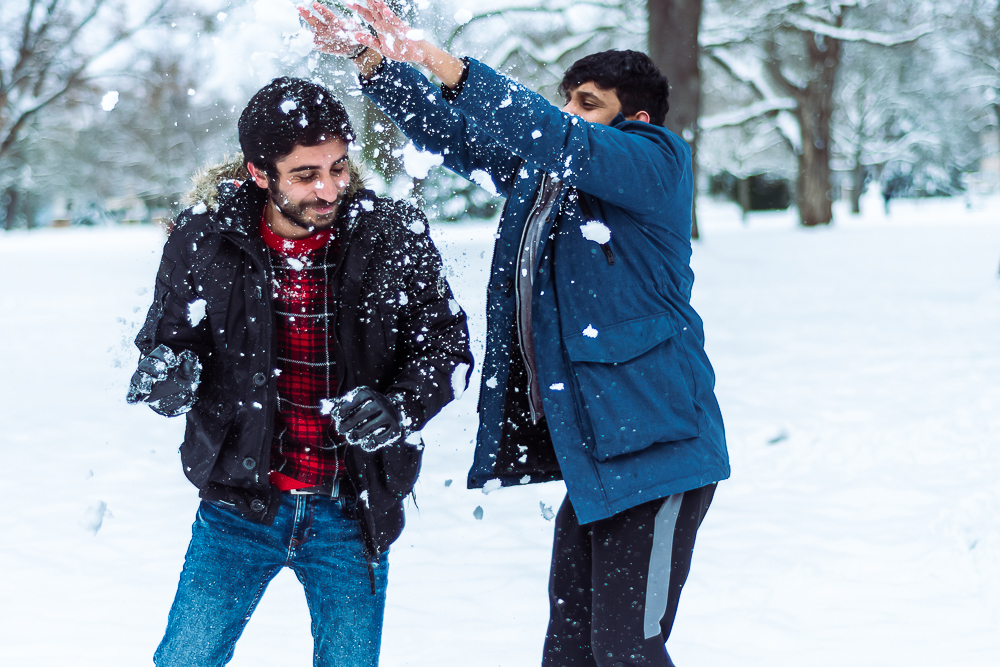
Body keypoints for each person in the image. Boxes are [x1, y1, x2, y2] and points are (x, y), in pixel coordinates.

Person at [302, 2, 731, 665]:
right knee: (567, 649)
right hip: (602, 463)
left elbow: (555, 134)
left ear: (635, 119)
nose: (568, 111)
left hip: (660, 455)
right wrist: (373, 63)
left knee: (627, 650)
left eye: (586, 101)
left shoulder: (655, 162)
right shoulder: (550, 178)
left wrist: (440, 60)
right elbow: (454, 134)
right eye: (567, 98)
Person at [127, 76, 473, 666]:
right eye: (306, 175)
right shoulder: (203, 237)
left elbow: (447, 349)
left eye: (338, 167)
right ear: (259, 173)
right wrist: (168, 379)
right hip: (239, 502)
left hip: (353, 505)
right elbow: (166, 341)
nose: (330, 188)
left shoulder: (392, 235)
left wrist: (401, 406)